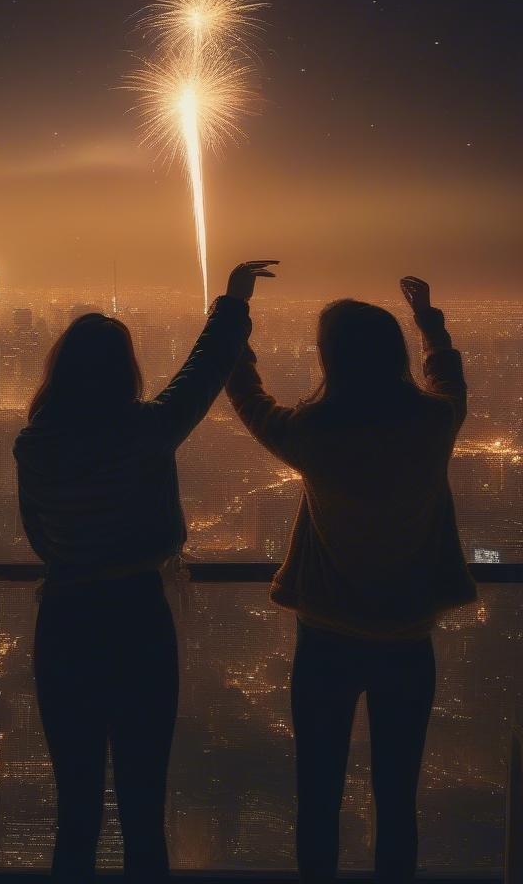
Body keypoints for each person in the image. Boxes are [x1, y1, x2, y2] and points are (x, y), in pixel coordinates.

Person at [13, 260, 278, 882]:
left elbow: (38, 536)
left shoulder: (35, 445)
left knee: (74, 808)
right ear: (123, 371)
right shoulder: (146, 432)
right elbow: (201, 373)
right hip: (137, 619)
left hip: (67, 623)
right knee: (142, 807)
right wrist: (233, 301)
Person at [225, 277, 477, 884]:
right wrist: (430, 322)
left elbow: (251, 401)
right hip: (408, 638)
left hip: (327, 637)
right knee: (397, 801)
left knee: (317, 798)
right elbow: (449, 381)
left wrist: (236, 326)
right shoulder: (432, 424)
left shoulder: (315, 433)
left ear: (330, 360)